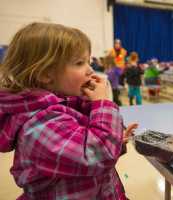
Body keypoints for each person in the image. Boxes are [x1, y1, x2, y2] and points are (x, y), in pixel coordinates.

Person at [0, 22, 137, 200]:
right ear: (45, 74)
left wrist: (114, 140)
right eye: (80, 63)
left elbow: (88, 149)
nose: (90, 70)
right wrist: (102, 103)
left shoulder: (66, 106)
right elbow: (99, 156)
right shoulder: (40, 125)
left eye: (88, 61)